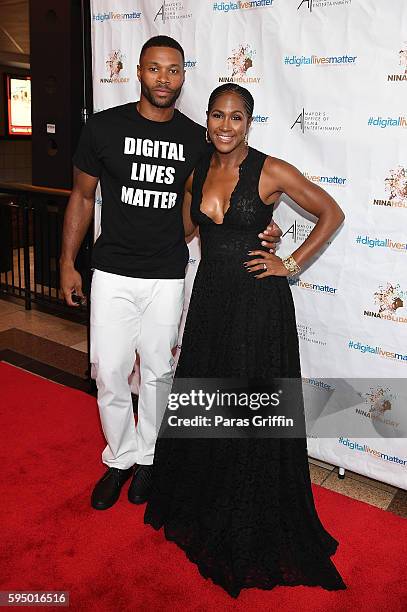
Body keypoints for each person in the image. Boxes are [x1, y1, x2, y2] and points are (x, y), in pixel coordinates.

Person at [60, 36, 280, 511]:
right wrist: (66, 263)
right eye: (155, 68)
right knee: (112, 372)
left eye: (174, 70)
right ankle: (119, 457)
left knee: (159, 372)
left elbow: (222, 189)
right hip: (111, 271)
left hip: (166, 274)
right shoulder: (103, 127)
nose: (164, 78)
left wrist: (265, 227)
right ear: (139, 71)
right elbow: (80, 197)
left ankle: (150, 458)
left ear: (183, 75)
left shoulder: (194, 139)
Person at [144, 84, 347, 597]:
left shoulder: (270, 169)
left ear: (249, 122)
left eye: (236, 117)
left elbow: (332, 213)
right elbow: (190, 230)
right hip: (211, 305)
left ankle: (250, 511)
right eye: (217, 115)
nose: (226, 126)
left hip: (258, 309)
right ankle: (206, 497)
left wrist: (290, 262)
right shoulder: (197, 168)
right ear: (208, 119)